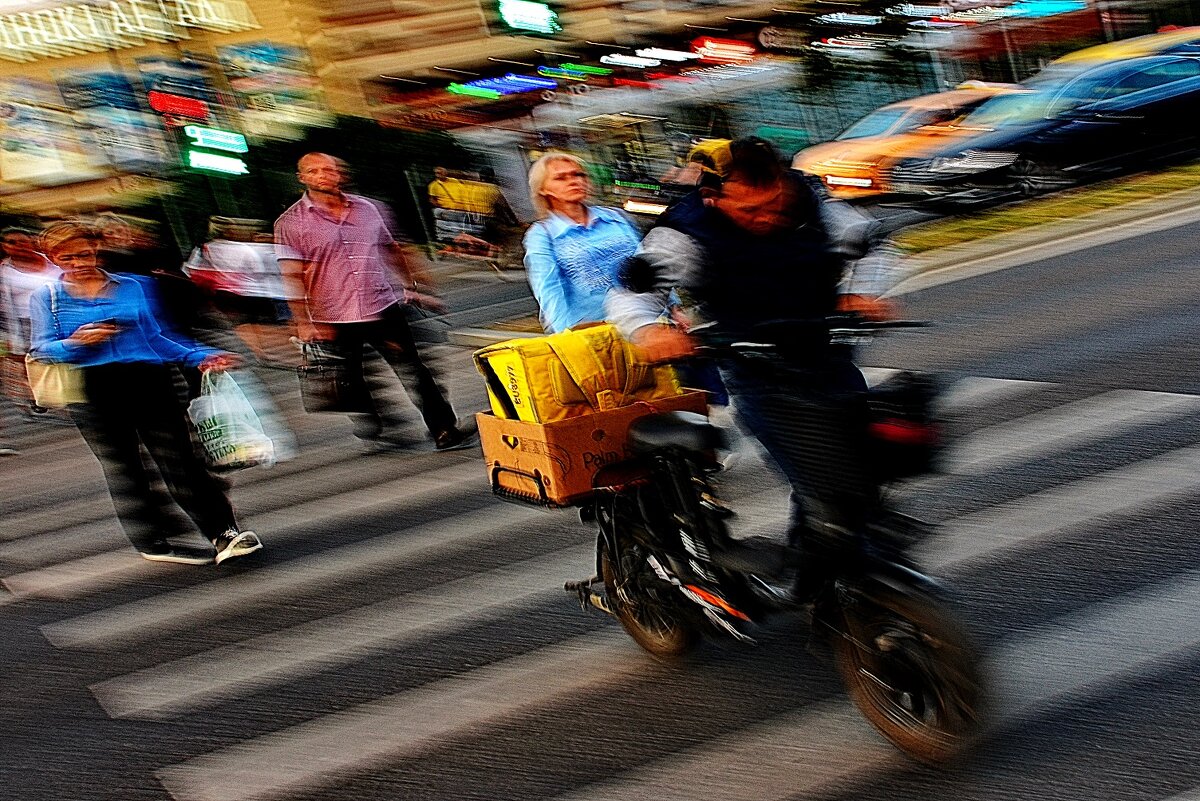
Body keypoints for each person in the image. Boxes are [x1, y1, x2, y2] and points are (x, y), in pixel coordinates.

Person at [605, 137, 896, 595]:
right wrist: (648, 330)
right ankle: (826, 588)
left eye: (774, 204)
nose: (768, 219)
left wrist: (863, 291)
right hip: (757, 370)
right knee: (820, 479)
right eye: (750, 211)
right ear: (713, 197)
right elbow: (632, 292)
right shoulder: (686, 232)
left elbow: (874, 247)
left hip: (828, 356)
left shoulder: (812, 201)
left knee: (864, 473)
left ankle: (822, 576)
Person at [28, 220, 263, 565]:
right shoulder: (47, 297)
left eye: (84, 253)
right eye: (67, 257)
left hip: (148, 379)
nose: (78, 263)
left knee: (181, 460)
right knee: (127, 468)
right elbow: (41, 348)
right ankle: (151, 540)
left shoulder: (135, 286)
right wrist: (75, 343)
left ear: (96, 249)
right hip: (92, 387)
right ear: (54, 258)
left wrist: (201, 355)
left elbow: (158, 337)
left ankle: (223, 533)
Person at [274, 152, 470, 452]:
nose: (323, 175)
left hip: (383, 305)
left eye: (329, 169)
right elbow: (292, 274)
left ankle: (444, 428)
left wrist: (414, 286)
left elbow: (393, 249)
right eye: (313, 171)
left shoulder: (369, 208)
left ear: (341, 174)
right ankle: (374, 419)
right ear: (302, 178)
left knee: (416, 369)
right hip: (333, 317)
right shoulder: (290, 223)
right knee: (351, 379)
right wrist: (304, 321)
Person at [523, 152, 642, 334]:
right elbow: (549, 290)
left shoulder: (615, 218)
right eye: (560, 178)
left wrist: (674, 307)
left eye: (578, 175)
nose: (573, 181)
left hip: (648, 322)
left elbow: (646, 264)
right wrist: (565, 335)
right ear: (543, 189)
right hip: (597, 333)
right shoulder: (542, 235)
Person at [1, 226, 63, 421]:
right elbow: (4, 306)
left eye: (22, 240)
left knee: (64, 356)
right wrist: (12, 336)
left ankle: (69, 391)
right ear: (4, 246)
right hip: (26, 320)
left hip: (59, 316)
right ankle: (36, 396)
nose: (19, 246)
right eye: (12, 242)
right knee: (31, 360)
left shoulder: (52, 261)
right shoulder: (5, 272)